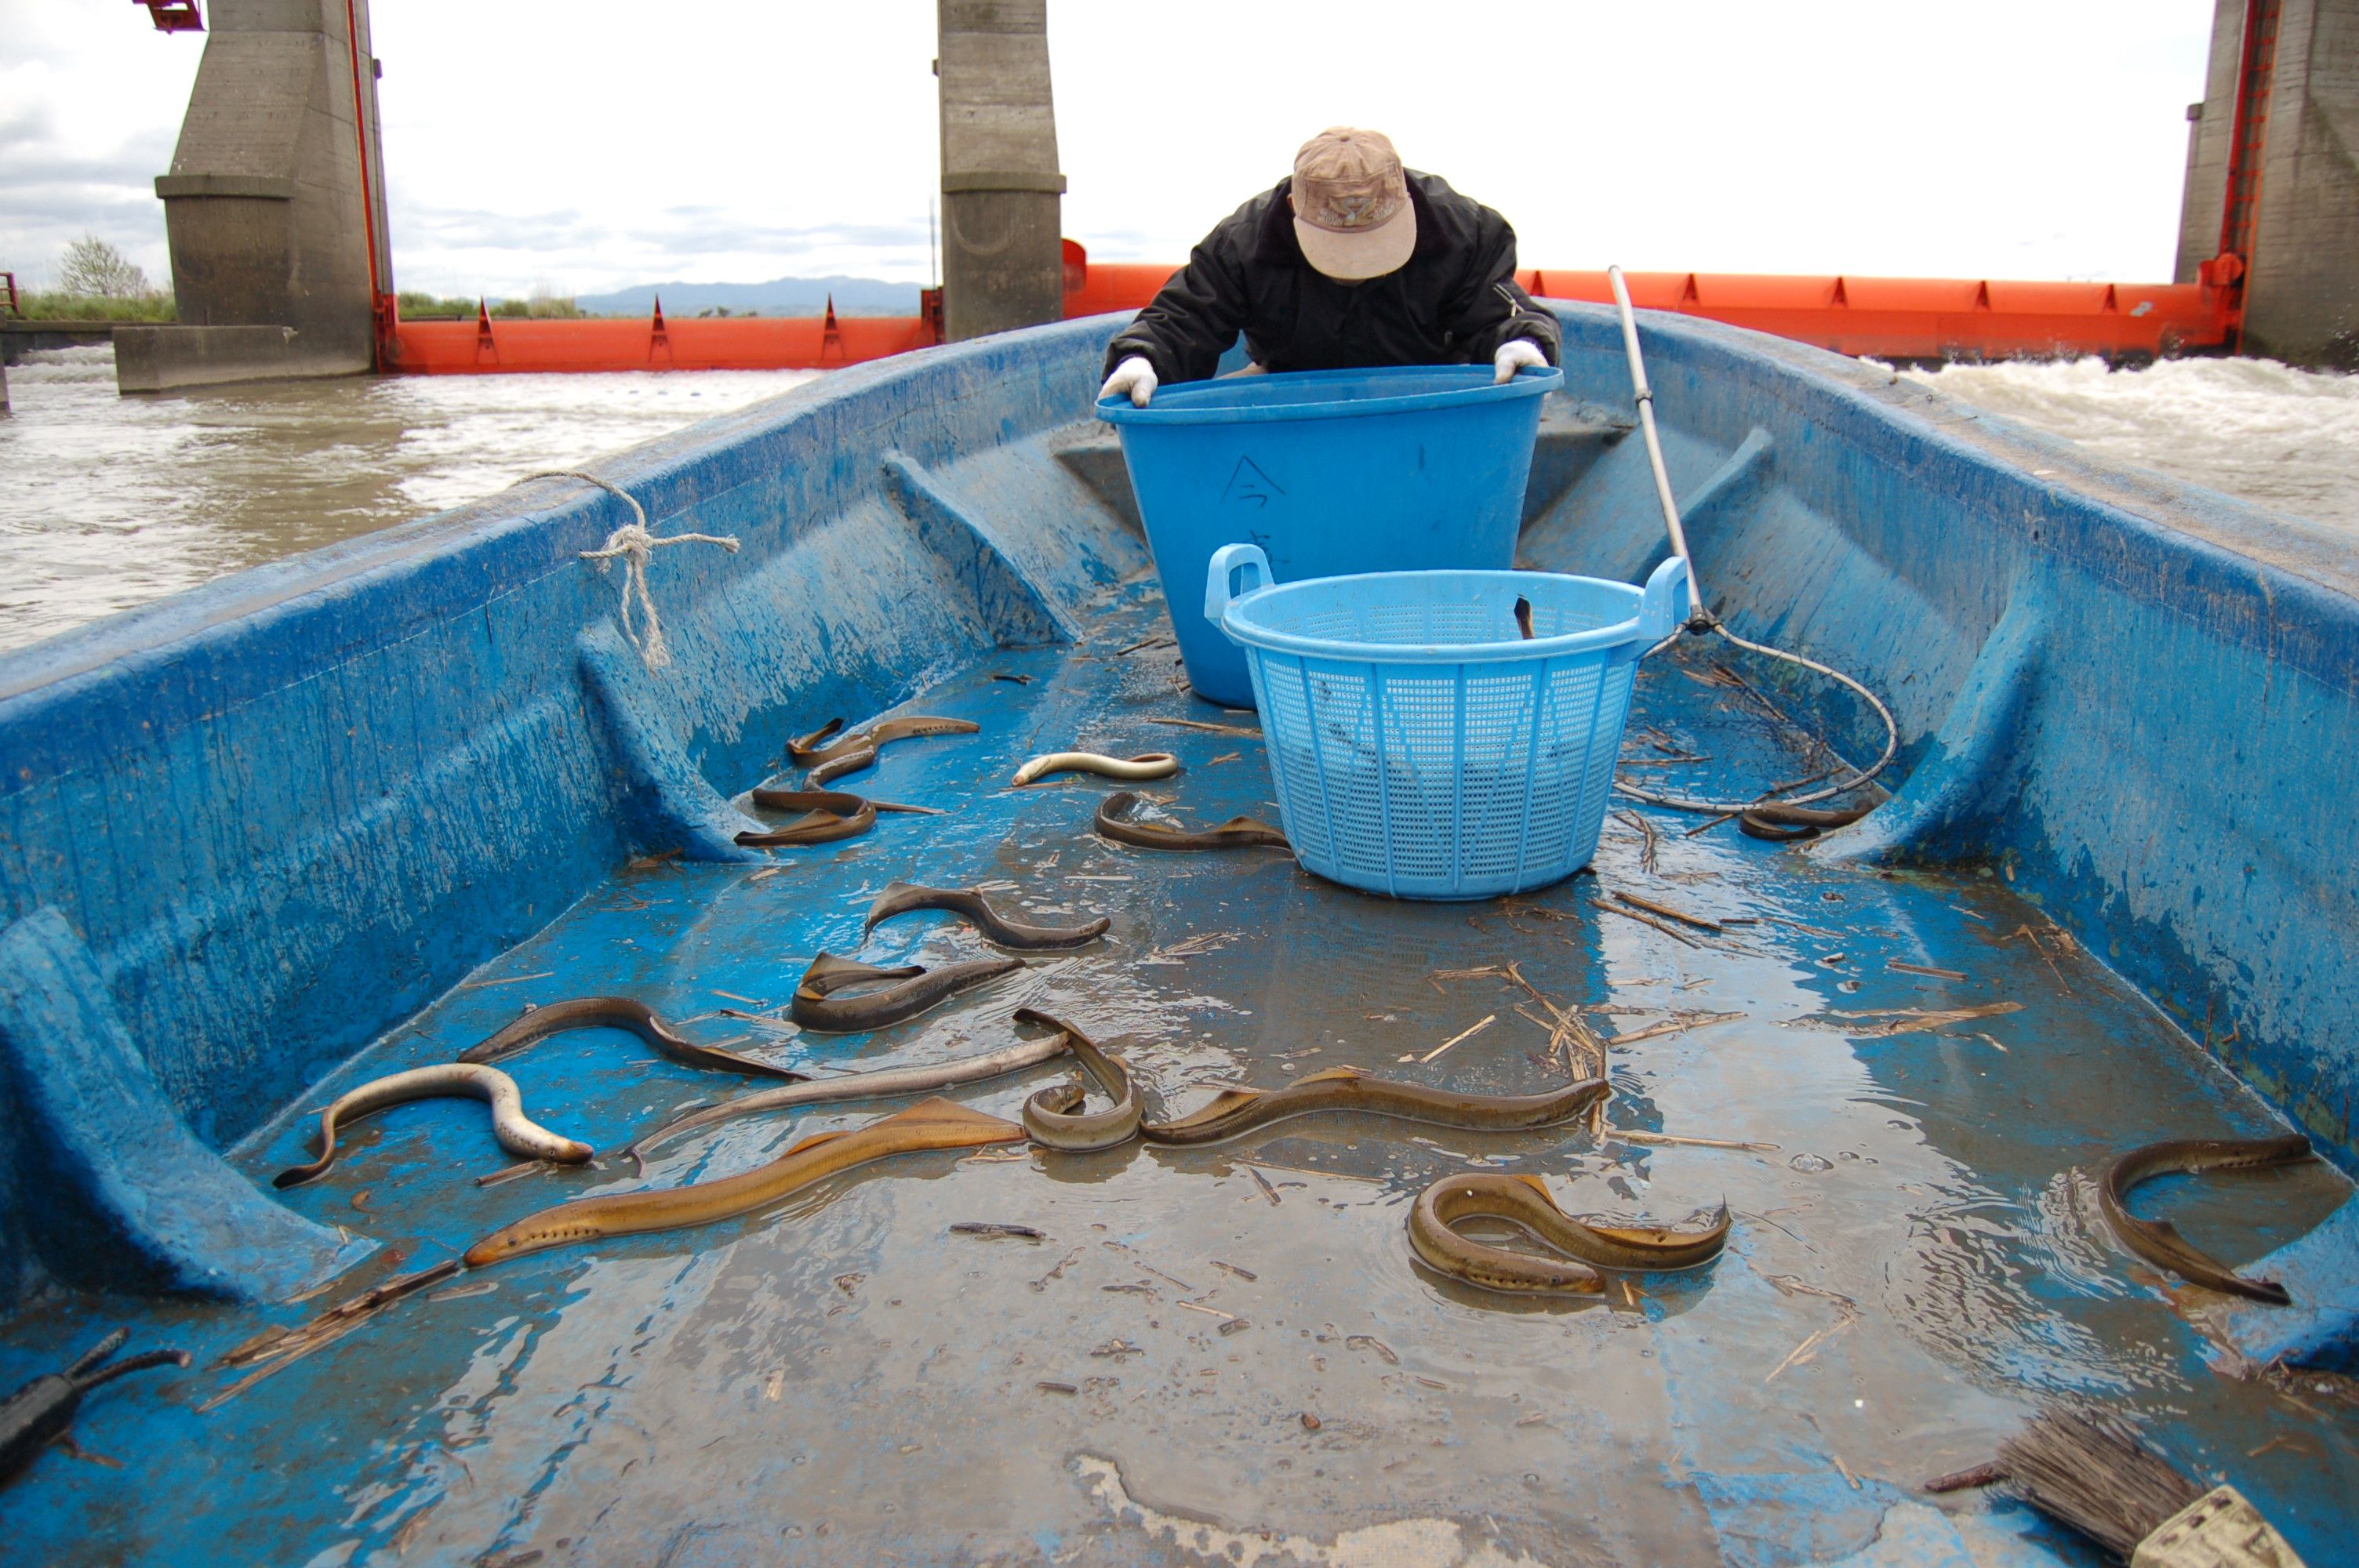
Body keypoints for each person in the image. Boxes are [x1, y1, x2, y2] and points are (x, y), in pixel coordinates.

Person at [1100, 127, 1559, 406]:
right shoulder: (1244, 243)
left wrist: (1523, 344)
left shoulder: (1462, 232)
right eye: (1338, 249)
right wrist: (1142, 358)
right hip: (1290, 385)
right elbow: (1184, 317)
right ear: (1293, 208)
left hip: (1428, 393)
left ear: (1405, 204)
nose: (1355, 270)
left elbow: (1504, 313)